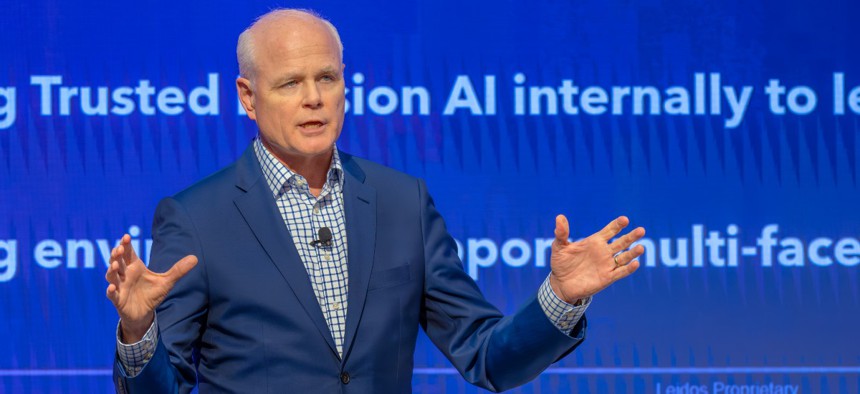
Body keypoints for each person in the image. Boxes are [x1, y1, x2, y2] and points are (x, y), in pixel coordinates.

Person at [104, 8, 645, 394]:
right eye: (290, 82)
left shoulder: (402, 203)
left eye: (327, 78)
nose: (313, 97)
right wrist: (137, 331)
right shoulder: (197, 218)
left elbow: (488, 359)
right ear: (247, 96)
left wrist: (559, 298)